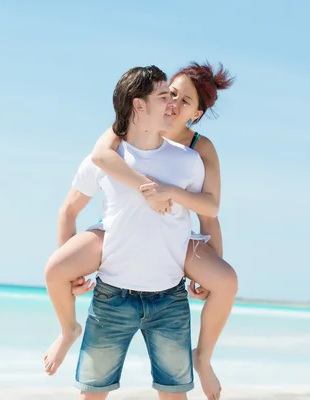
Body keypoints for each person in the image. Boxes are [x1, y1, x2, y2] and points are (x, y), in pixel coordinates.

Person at [43, 62, 237, 400]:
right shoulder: (126, 131)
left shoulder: (197, 152)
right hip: (120, 229)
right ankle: (66, 329)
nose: (173, 104)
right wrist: (150, 189)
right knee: (58, 268)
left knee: (226, 281)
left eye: (183, 101)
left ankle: (203, 358)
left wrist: (171, 195)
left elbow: (210, 213)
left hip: (176, 235)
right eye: (170, 94)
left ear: (196, 115)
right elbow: (101, 157)